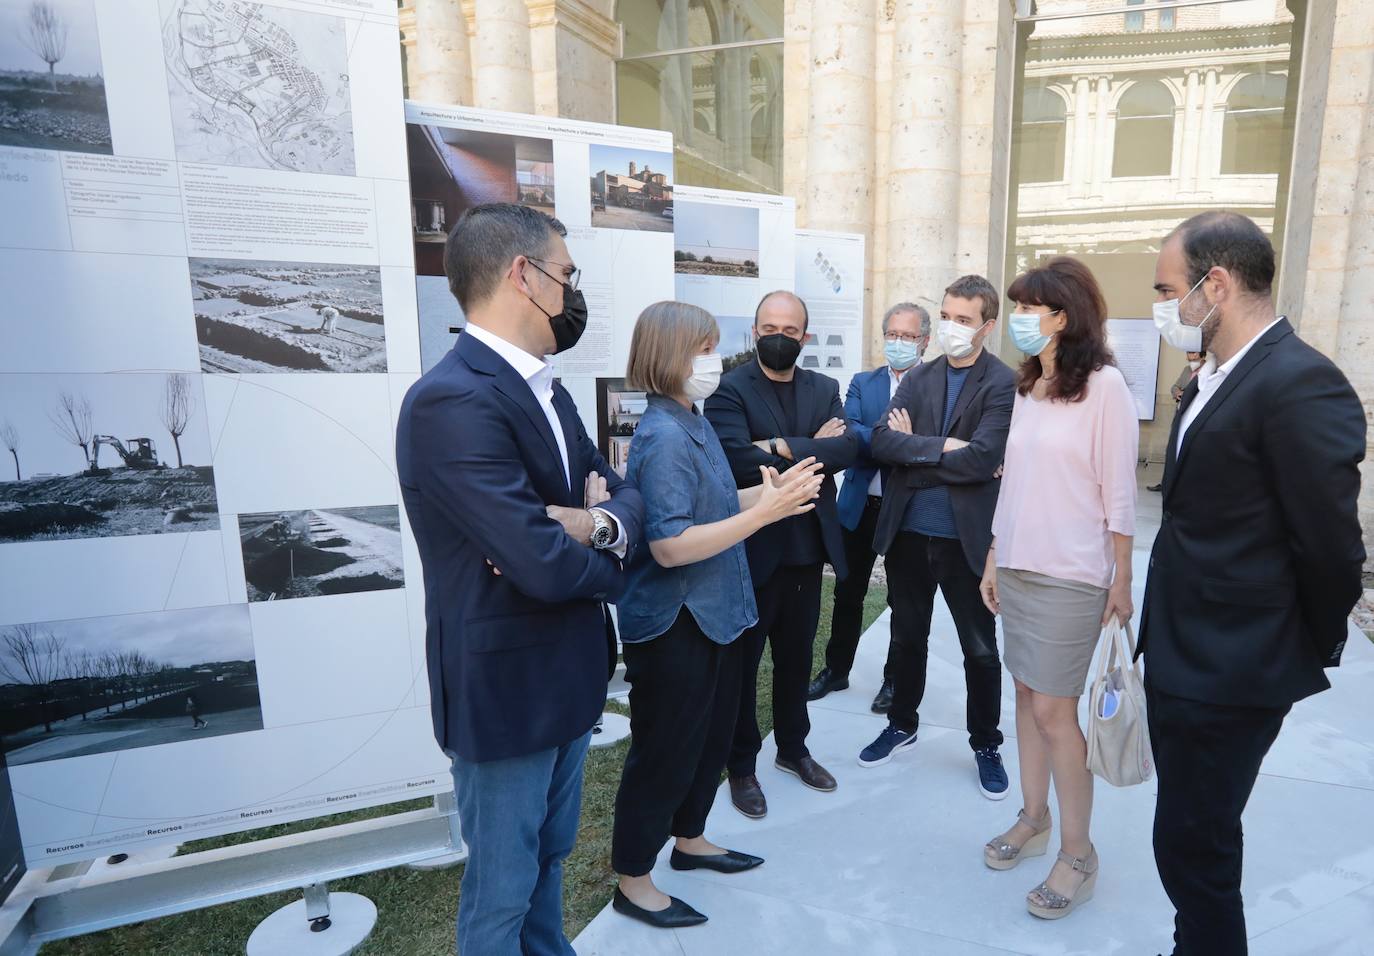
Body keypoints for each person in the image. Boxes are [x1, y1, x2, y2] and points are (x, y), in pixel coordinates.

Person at [396, 203, 644, 955]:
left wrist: (592, 523)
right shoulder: (451, 401)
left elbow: (625, 494)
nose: (571, 292)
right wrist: (595, 536)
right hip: (506, 697)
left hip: (568, 680)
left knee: (549, 863)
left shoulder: (550, 390)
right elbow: (537, 562)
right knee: (503, 891)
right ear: (522, 275)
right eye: (567, 275)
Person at [1142, 211, 1365, 955]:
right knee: (1191, 837)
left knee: (1194, 847)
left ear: (1217, 284)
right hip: (1186, 653)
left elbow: (1332, 548)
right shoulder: (1212, 373)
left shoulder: (1299, 382)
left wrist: (1303, 642)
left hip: (1232, 666)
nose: (1163, 307)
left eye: (1167, 289)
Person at [610, 301, 824, 929]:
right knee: (665, 751)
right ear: (669, 355)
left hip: (719, 614)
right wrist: (762, 515)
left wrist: (773, 496)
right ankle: (633, 879)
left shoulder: (694, 420)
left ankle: (691, 839)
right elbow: (670, 544)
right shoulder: (661, 436)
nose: (715, 360)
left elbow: (719, 501)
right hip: (676, 624)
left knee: (707, 744)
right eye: (704, 348)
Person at [978, 257, 1137, 921]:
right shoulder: (1027, 385)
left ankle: (1078, 854)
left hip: (1072, 575)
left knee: (1054, 713)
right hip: (1016, 566)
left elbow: (1119, 491)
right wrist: (993, 553)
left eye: (1027, 307)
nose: (1017, 319)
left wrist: (1122, 577)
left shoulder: (1103, 387)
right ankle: (1033, 816)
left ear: (1062, 317)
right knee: (1024, 694)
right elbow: (1013, 477)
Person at [704, 290, 859, 819]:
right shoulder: (728, 389)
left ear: (804, 337)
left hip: (806, 549)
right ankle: (742, 766)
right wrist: (806, 442)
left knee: (795, 662)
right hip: (751, 550)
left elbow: (846, 450)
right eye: (769, 326)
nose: (778, 337)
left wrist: (775, 445)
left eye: (790, 331)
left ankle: (793, 750)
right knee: (743, 668)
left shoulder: (824, 387)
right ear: (754, 331)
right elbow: (733, 460)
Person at [865, 275, 1012, 802]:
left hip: (964, 539)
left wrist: (919, 451)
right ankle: (902, 724)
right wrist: (946, 447)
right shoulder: (920, 377)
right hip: (909, 533)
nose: (951, 327)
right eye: (946, 316)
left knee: (979, 650)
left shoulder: (1001, 383)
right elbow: (883, 441)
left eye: (963, 319)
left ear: (987, 326)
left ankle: (985, 743)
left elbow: (985, 457)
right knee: (907, 638)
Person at [808, 303, 931, 714]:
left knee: (902, 599)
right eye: (892, 334)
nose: (898, 343)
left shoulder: (934, 386)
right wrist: (900, 443)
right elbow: (852, 436)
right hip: (860, 505)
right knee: (848, 592)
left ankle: (893, 681)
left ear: (925, 341)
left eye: (908, 336)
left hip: (906, 509)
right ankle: (836, 669)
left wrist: (891, 443)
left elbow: (927, 446)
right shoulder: (863, 381)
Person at [1147, 350, 1205, 492]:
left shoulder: (1209, 370)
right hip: (1180, 412)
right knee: (1172, 447)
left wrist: (1188, 394)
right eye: (1188, 353)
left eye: (1193, 353)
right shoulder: (1187, 370)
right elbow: (1174, 387)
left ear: (1202, 355)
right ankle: (1166, 483)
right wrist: (1178, 393)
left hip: (1195, 416)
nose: (1189, 356)